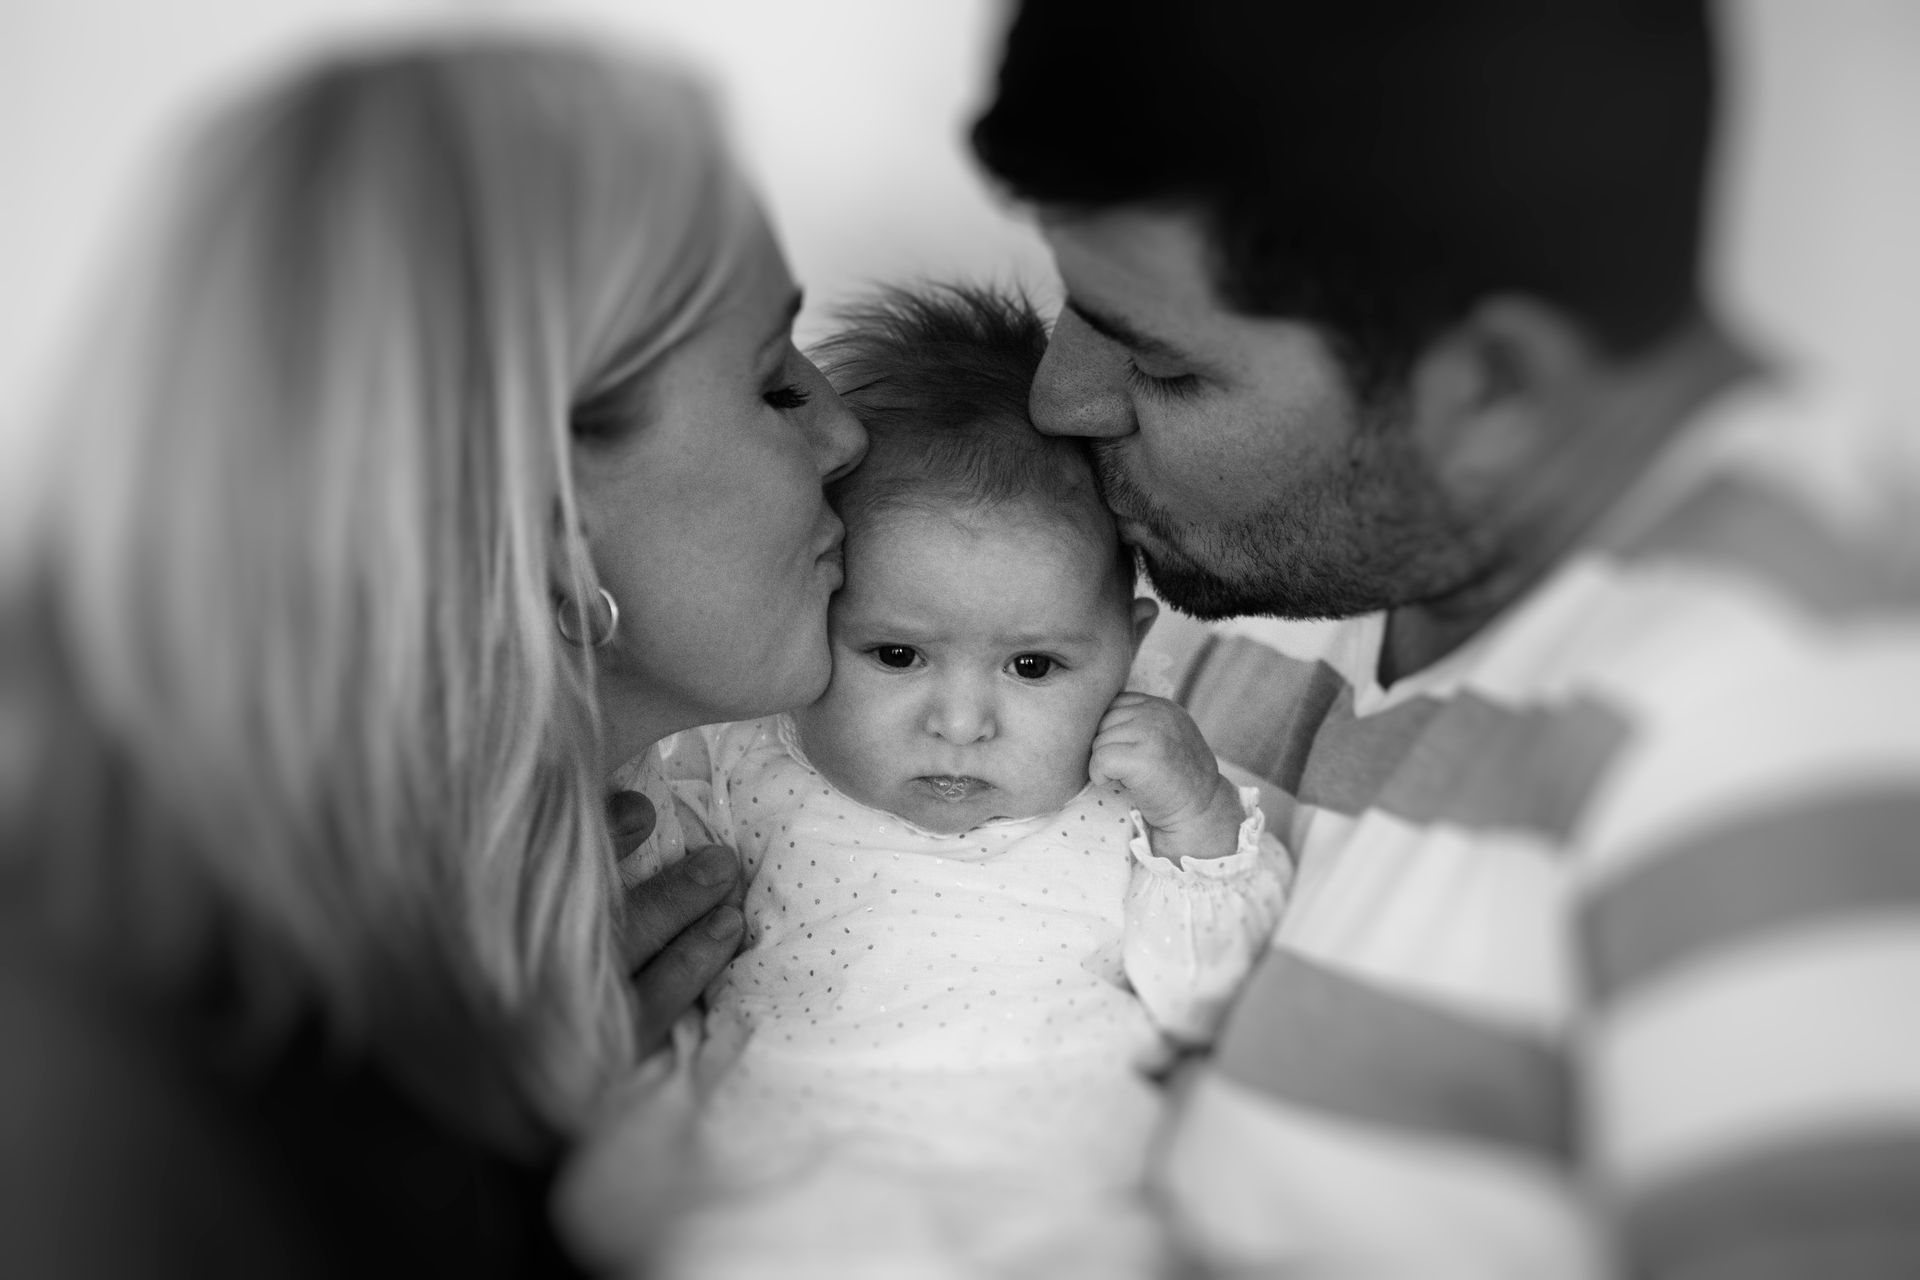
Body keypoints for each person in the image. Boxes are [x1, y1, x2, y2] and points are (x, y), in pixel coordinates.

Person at [972, 2, 1920, 1277]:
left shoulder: (1792, 728)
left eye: (1163, 366)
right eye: (1067, 305)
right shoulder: (1288, 544)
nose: (1058, 397)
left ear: (1496, 382)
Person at [0, 37, 864, 1277]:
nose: (845, 430)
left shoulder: (434, 1022)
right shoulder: (98, 1114)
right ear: (544, 515)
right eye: (775, 383)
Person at [581, 285, 1289, 1279]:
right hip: (787, 1202)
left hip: (1055, 1211)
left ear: (1125, 651)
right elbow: (603, 906)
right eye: (898, 653)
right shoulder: (739, 760)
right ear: (819, 597)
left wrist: (1201, 821)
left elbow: (1215, 1000)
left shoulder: (1136, 789)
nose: (961, 723)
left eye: (1034, 666)